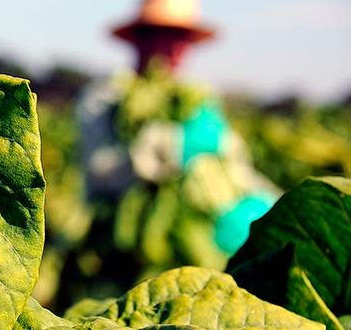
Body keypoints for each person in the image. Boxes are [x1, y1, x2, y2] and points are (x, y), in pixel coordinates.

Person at [66, 0, 279, 305]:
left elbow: (236, 166)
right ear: (141, 38)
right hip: (118, 258)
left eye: (183, 39)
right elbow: (100, 171)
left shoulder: (200, 101)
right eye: (165, 35)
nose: (176, 49)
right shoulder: (107, 97)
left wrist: (266, 203)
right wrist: (168, 149)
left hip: (204, 244)